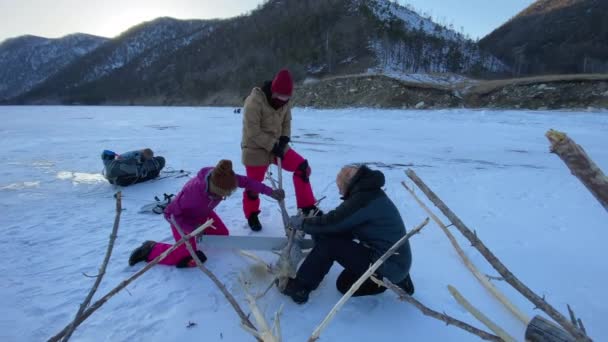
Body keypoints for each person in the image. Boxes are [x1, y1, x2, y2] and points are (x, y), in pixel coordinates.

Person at [280, 165, 414, 304]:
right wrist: (317, 225)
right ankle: (400, 279)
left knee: (330, 246)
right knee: (344, 283)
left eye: (340, 188)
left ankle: (300, 288)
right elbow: (342, 224)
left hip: (387, 264)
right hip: (396, 261)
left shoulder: (362, 199)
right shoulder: (370, 192)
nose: (341, 193)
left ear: (347, 184)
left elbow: (333, 222)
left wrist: (303, 224)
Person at [128, 160, 285, 268]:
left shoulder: (227, 177)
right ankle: (150, 249)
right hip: (182, 219)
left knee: (222, 236)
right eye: (221, 194)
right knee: (187, 255)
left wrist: (270, 192)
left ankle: (196, 239)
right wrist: (192, 228)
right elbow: (170, 214)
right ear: (212, 187)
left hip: (203, 215)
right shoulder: (191, 193)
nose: (223, 197)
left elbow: (249, 182)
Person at [241, 68, 321, 231]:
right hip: (255, 148)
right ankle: (252, 214)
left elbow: (286, 122)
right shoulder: (253, 102)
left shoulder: (285, 101)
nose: (284, 101)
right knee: (253, 186)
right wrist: (273, 145)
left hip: (277, 145)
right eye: (281, 97)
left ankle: (307, 206)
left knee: (302, 168)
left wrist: (284, 138)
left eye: (287, 98)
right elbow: (253, 131)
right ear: (273, 92)